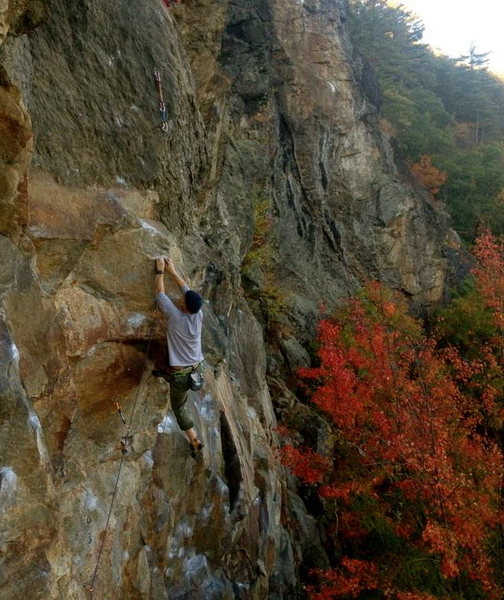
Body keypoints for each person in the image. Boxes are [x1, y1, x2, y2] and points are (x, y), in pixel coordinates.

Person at [154, 256, 205, 457]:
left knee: (179, 406)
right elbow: (188, 291)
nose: (181, 296)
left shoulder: (175, 317)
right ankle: (165, 373)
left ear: (183, 306)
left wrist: (160, 272)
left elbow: (160, 295)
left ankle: (194, 439)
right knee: (167, 357)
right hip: (197, 367)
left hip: (181, 375)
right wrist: (173, 271)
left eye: (182, 299)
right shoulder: (198, 314)